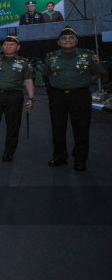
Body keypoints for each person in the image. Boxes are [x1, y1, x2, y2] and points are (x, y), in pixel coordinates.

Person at [43, 26, 105, 171]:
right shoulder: (51, 56)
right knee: (58, 127)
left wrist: (83, 82)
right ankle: (60, 156)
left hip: (80, 96)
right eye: (64, 39)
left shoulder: (88, 55)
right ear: (59, 42)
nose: (68, 40)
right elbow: (47, 73)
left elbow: (97, 73)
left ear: (76, 41)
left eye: (71, 38)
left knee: (81, 128)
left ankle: (80, 159)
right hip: (57, 96)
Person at [0, 34, 35, 162]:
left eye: (11, 45)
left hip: (14, 96)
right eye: (5, 44)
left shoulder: (23, 63)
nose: (7, 47)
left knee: (13, 125)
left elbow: (28, 81)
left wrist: (31, 98)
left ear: (17, 47)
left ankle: (9, 152)